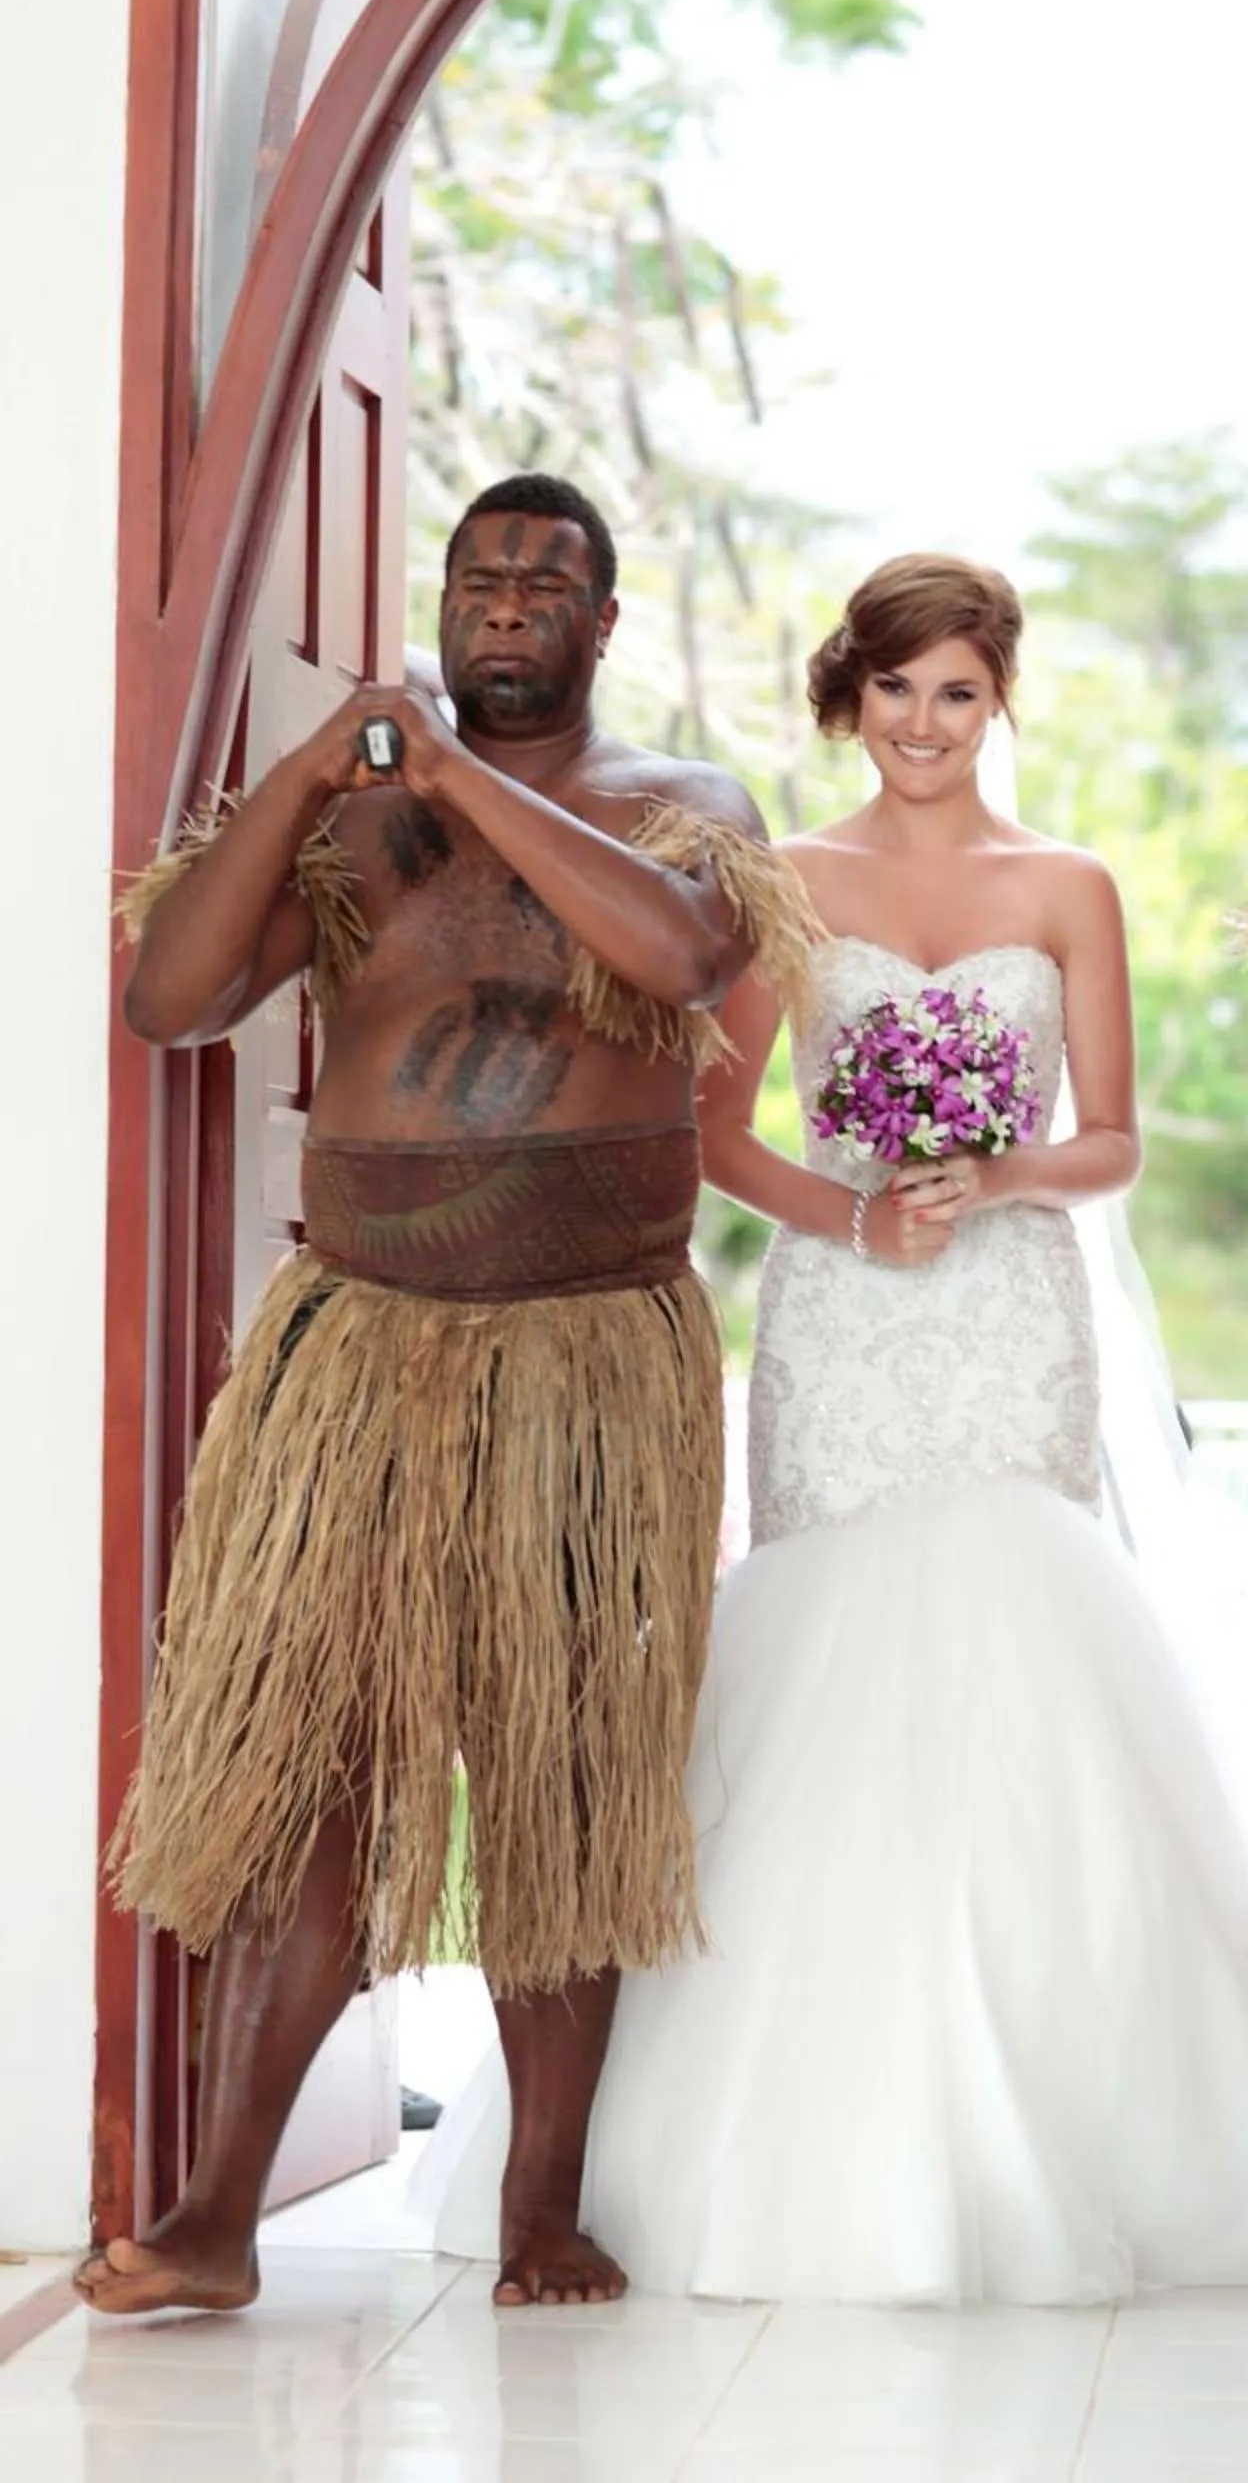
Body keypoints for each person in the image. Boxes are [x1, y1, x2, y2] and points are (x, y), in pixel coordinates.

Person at [423, 552, 1248, 2302]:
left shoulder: (1071, 884)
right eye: (895, 690)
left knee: (1022, 1642)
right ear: (846, 698)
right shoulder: (782, 881)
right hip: (847, 1313)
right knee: (824, 1661)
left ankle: (1066, 2121)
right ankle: (750, 2144)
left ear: (997, 701)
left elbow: (1116, 1144)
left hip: (1011, 1310)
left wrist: (1004, 1173)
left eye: (958, 691)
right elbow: (714, 1133)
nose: (925, 723)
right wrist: (860, 1215)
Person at [81, 473, 817, 2317]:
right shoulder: (352, 821)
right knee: (311, 1782)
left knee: (559, 1785)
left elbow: (689, 961)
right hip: (361, 1345)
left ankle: (541, 2211)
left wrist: (466, 779)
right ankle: (215, 2216)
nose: (502, 605)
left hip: (584, 1352)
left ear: (601, 622)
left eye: (542, 584)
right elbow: (170, 994)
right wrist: (327, 762)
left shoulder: (679, 808)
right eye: (478, 579)